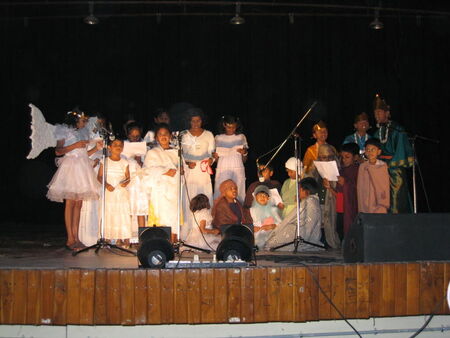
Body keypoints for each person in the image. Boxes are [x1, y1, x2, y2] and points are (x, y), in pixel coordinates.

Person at [47, 109, 102, 251]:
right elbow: (58, 151)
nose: (85, 123)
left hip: (82, 168)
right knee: (70, 203)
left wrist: (96, 148)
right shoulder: (63, 130)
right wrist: (75, 145)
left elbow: (83, 153)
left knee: (79, 204)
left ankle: (77, 238)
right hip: (70, 167)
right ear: (75, 120)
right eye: (83, 120)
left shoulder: (84, 133)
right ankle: (70, 238)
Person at [372, 94, 413, 213]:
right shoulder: (376, 133)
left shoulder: (398, 130)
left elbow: (401, 150)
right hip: (380, 171)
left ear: (387, 113)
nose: (376, 115)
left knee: (396, 202)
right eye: (375, 113)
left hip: (395, 172)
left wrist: (389, 165)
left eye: (379, 112)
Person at [143, 124, 181, 242]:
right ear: (156, 138)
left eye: (166, 134)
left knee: (174, 217)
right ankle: (161, 243)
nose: (163, 137)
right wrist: (165, 172)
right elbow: (147, 170)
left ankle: (174, 242)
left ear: (170, 136)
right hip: (160, 191)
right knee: (161, 218)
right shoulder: (152, 153)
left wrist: (181, 171)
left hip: (174, 190)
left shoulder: (177, 152)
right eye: (160, 134)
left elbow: (181, 169)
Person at [181, 108, 215, 239]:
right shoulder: (184, 135)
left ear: (202, 121)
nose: (195, 123)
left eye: (198, 120)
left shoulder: (209, 134)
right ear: (189, 121)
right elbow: (181, 155)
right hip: (190, 170)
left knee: (204, 197)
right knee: (190, 198)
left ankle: (205, 229)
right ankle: (189, 231)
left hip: (203, 170)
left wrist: (211, 160)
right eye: (193, 121)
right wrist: (187, 163)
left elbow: (212, 153)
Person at [265, 177, 323, 252]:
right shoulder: (314, 200)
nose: (298, 192)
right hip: (313, 236)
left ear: (305, 191)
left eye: (299, 189)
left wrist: (278, 228)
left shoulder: (307, 202)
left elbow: (290, 218)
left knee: (272, 242)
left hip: (303, 234)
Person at [97, 138, 132, 247]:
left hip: (120, 193)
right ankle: (107, 237)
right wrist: (106, 185)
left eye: (120, 145)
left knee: (121, 214)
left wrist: (125, 183)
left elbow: (128, 178)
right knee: (109, 213)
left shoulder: (125, 162)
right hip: (109, 192)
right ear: (109, 147)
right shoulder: (105, 161)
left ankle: (122, 237)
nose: (118, 147)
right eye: (115, 144)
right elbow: (99, 176)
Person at [308, 144, 341, 249]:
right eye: (323, 157)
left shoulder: (339, 169)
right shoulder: (315, 168)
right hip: (318, 202)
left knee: (330, 225)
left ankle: (332, 244)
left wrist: (330, 186)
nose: (326, 160)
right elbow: (309, 182)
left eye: (329, 157)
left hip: (331, 203)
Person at [325, 142, 360, 239]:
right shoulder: (341, 170)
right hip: (341, 207)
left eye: (347, 157)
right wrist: (330, 188)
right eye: (342, 157)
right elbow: (339, 195)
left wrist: (346, 183)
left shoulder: (359, 170)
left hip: (352, 208)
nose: (344, 160)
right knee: (340, 230)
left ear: (356, 157)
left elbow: (358, 191)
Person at [213, 115, 248, 203]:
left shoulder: (241, 137)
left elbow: (244, 160)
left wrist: (244, 153)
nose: (231, 129)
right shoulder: (218, 138)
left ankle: (239, 213)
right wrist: (215, 157)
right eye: (229, 127)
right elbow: (216, 160)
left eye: (234, 127)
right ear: (224, 125)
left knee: (238, 191)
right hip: (223, 167)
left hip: (237, 166)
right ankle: (221, 213)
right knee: (221, 191)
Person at [123, 122, 148, 244]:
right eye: (132, 136)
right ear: (128, 135)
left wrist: (140, 161)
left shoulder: (144, 147)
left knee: (140, 208)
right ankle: (126, 236)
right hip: (128, 181)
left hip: (140, 182)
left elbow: (147, 166)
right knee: (127, 208)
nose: (135, 138)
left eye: (137, 136)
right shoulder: (123, 146)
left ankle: (142, 236)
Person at [357, 138, 390, 214]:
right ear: (365, 151)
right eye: (368, 150)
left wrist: (383, 200)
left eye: (373, 150)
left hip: (379, 201)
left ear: (379, 152)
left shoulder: (383, 166)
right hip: (366, 199)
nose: (370, 152)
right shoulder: (362, 166)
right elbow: (360, 187)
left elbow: (385, 185)